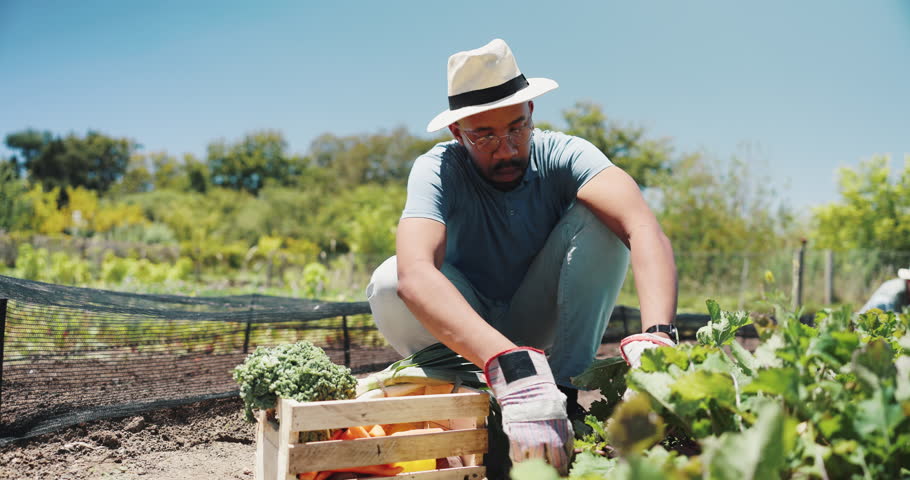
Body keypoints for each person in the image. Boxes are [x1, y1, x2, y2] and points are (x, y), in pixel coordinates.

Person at [366, 39, 678, 473]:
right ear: (458, 133)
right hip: (461, 320)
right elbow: (415, 275)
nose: (507, 148)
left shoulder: (566, 154)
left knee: (604, 222)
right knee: (388, 280)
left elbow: (642, 226)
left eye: (516, 128)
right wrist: (509, 366)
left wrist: (659, 337)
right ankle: (465, 389)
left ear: (531, 112)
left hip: (533, 315)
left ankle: (565, 395)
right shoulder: (438, 169)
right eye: (485, 135)